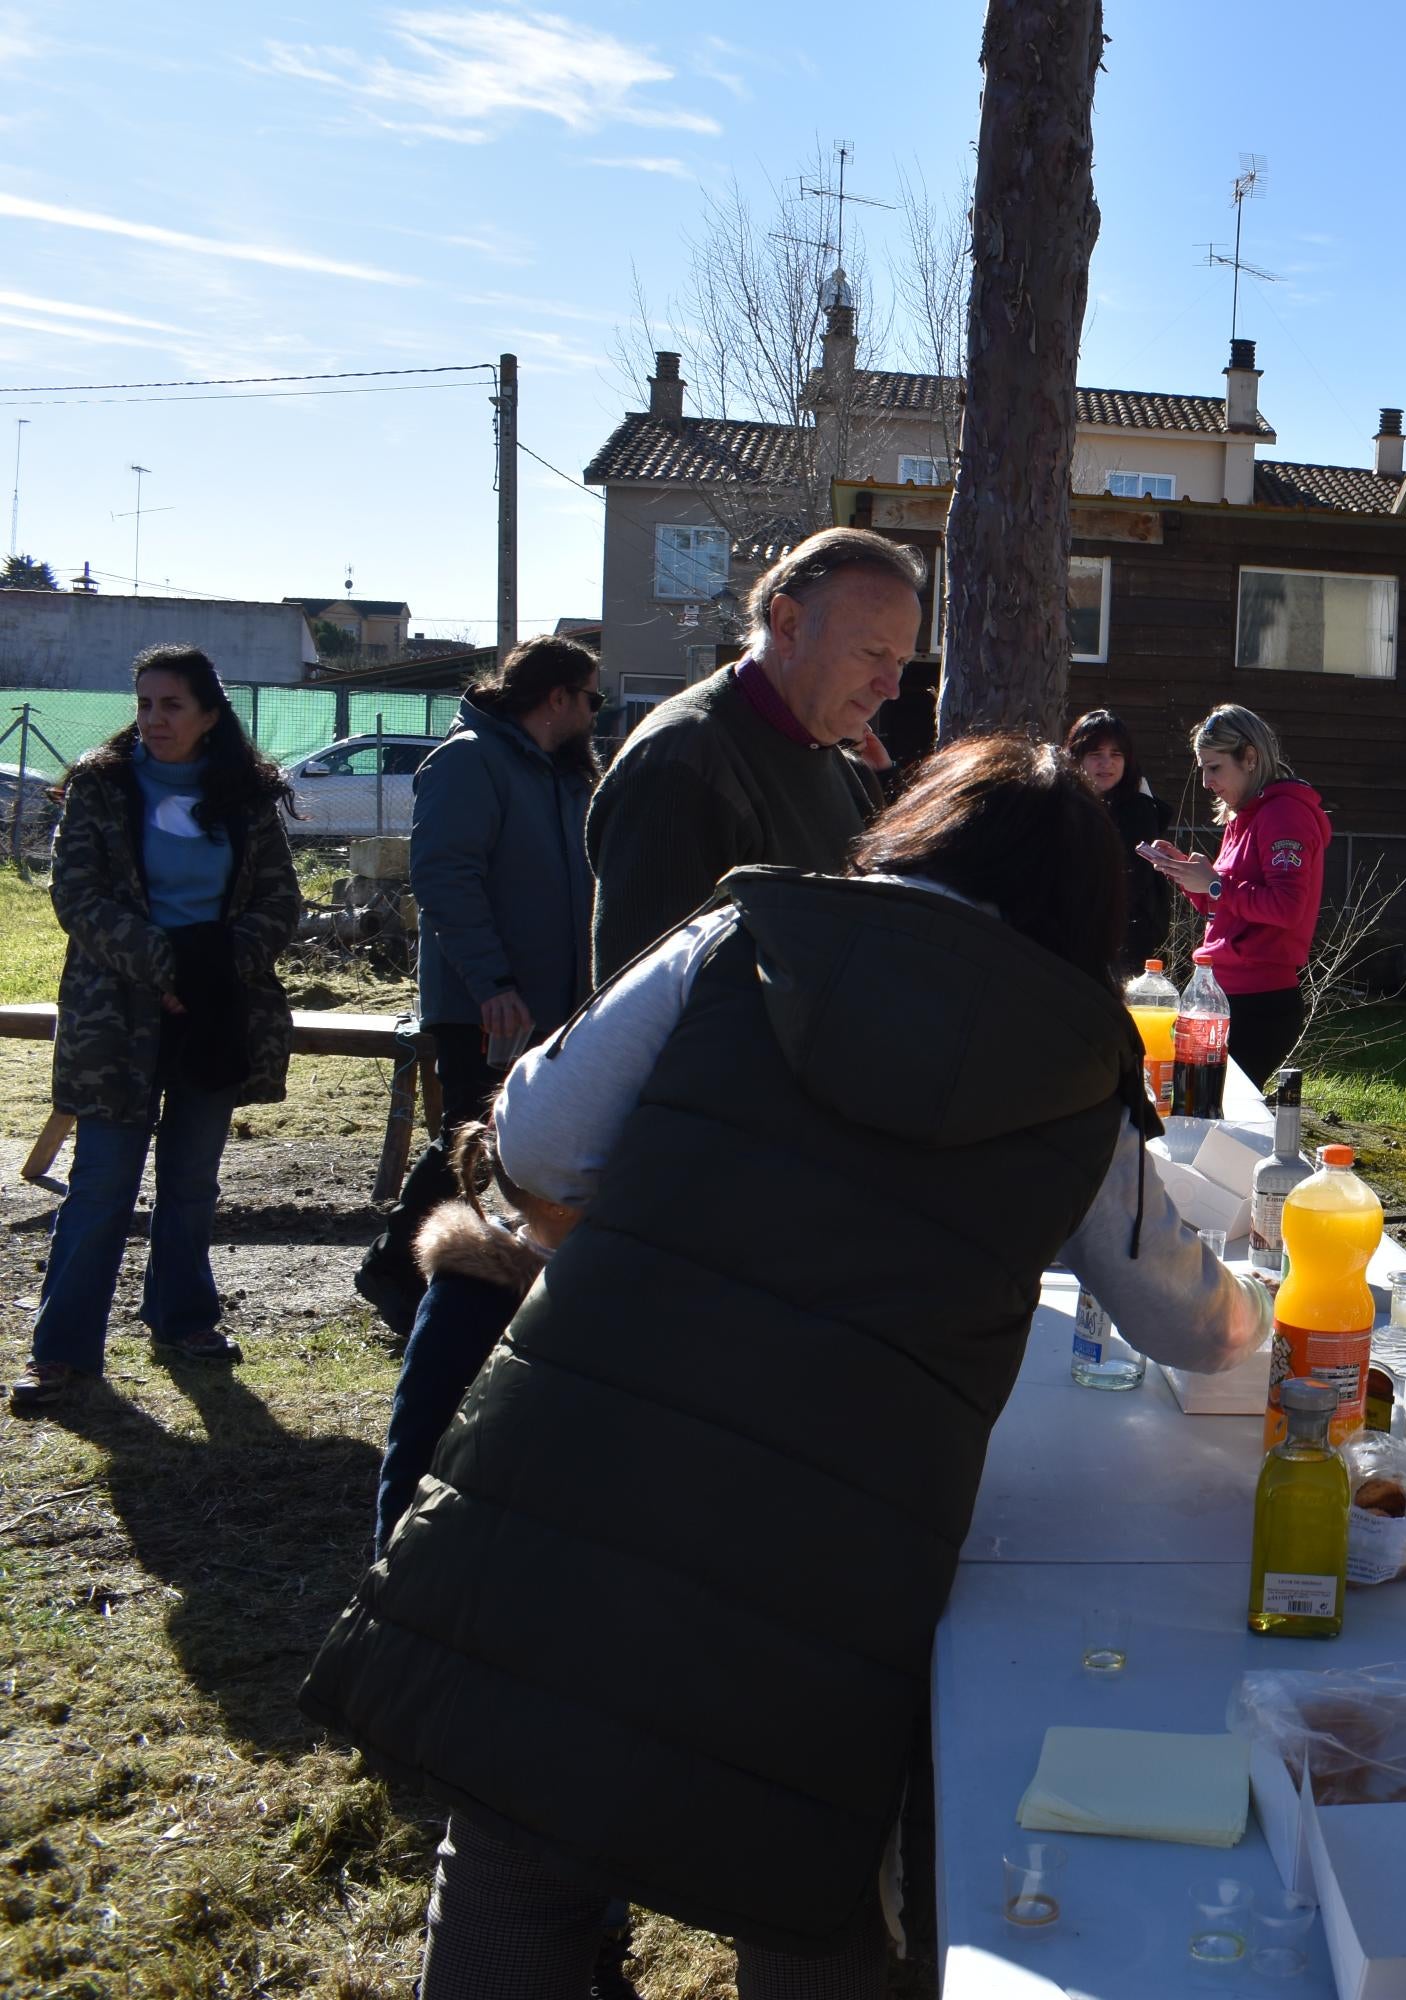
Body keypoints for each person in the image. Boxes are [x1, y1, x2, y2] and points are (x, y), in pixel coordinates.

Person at [301, 732, 1265, 1997]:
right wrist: (1267, 1305)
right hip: (842, 1520)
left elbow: (536, 1137)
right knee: (800, 1879)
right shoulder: (1080, 1062)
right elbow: (1187, 1321)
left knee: (518, 1837)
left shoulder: (746, 934)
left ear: (919, 826)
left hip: (595, 1444)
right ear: (1080, 900)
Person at [10, 647, 303, 1414]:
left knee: (190, 1183)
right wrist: (166, 968)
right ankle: (63, 1353)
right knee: (101, 1184)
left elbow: (279, 905)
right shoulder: (100, 787)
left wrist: (209, 972)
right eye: (144, 703)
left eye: (172, 704)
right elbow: (77, 895)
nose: (154, 719)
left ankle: (183, 1321)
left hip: (215, 1014)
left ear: (210, 713)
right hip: (117, 1018)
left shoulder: (245, 794)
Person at [584, 525, 921, 981]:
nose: (892, 687)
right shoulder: (683, 762)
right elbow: (638, 1013)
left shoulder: (846, 769)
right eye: (871, 652)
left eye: (900, 661)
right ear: (788, 626)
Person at [411, 633, 602, 1127]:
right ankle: (417, 1212)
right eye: (593, 699)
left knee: (528, 1149)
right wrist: (492, 982)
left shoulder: (561, 775)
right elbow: (445, 880)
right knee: (472, 1146)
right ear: (557, 698)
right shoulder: (468, 760)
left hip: (547, 1004)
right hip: (490, 1008)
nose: (596, 715)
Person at [369, 1121, 576, 1556]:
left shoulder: (637, 1284)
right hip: (491, 1557)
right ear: (558, 1201)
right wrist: (391, 1565)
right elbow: (415, 1439)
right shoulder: (470, 1292)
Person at [1134, 704, 1330, 1088]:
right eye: (1202, 768)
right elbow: (1226, 909)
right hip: (1222, 992)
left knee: (1212, 1111)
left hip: (1259, 1002)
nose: (1206, 782)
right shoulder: (1243, 815)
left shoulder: (1284, 814)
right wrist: (1186, 875)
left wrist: (1214, 884)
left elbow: (1288, 907)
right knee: (1192, 1105)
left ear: (1250, 758)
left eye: (1215, 767)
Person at [1067, 707, 1169, 974]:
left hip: (1121, 941)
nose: (1106, 763)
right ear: (1077, 759)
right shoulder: (1065, 805)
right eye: (1095, 754)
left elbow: (1132, 881)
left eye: (1115, 755)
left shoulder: (1139, 810)